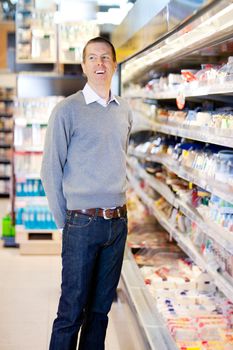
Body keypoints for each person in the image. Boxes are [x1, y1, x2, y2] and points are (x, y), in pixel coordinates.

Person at [40, 36, 133, 350]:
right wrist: (65, 222)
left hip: (117, 222)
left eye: (105, 58)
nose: (100, 64)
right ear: (83, 65)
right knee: (71, 312)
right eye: (93, 58)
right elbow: (50, 168)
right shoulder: (67, 111)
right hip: (81, 222)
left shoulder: (125, 111)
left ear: (114, 65)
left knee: (100, 313)